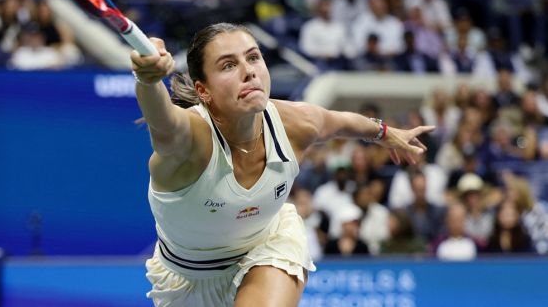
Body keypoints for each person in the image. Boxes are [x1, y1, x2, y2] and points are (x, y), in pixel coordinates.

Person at [131, 22, 435, 306]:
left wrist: (384, 132)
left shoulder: (295, 124)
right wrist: (148, 80)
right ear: (203, 91)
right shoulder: (191, 142)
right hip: (189, 281)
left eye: (253, 58)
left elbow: (342, 122)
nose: (249, 72)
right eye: (229, 65)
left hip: (267, 245)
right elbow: (164, 123)